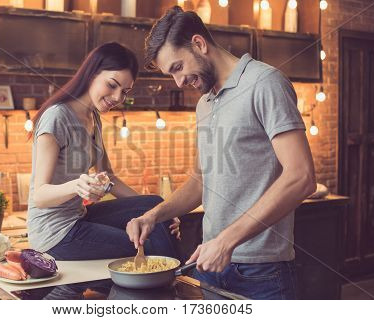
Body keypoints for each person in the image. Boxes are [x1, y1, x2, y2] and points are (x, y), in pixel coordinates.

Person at [126, 7, 316, 299]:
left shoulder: (265, 83)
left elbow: (301, 176)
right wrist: (154, 215)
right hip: (211, 265)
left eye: (178, 67)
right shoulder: (205, 103)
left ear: (199, 44)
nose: (178, 82)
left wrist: (226, 241)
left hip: (262, 272)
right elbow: (200, 182)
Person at [27, 42, 180, 261]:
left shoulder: (93, 116)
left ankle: (175, 278)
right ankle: (172, 283)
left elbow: (108, 177)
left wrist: (159, 213)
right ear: (91, 74)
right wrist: (77, 186)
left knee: (154, 203)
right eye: (112, 85)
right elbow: (39, 196)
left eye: (124, 91)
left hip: (79, 217)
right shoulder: (57, 117)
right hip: (55, 233)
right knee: (148, 244)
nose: (118, 97)